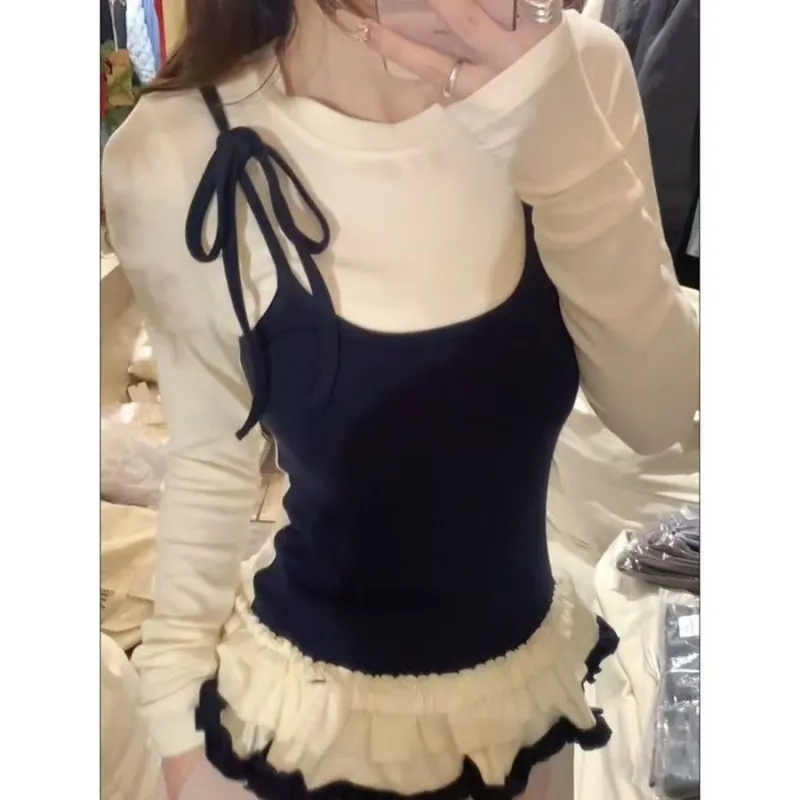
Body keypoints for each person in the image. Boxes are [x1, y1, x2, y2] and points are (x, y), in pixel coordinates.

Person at [102, 1, 699, 798]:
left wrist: (572, 162)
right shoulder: (177, 147)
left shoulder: (579, 72)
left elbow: (658, 414)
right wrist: (177, 726)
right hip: (307, 721)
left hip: (526, 705)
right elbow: (212, 459)